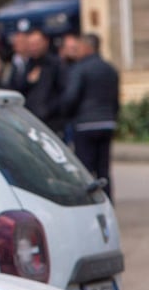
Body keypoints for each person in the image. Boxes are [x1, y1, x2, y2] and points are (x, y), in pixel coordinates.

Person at [57, 33, 120, 200]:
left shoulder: (80, 69)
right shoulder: (110, 69)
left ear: (87, 47)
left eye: (79, 47)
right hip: (107, 122)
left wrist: (65, 114)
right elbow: (115, 99)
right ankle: (108, 203)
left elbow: (71, 97)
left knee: (85, 169)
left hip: (85, 124)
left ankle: (88, 203)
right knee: (103, 170)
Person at [16, 27, 66, 134]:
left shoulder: (55, 64)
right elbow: (18, 88)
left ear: (45, 42)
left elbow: (63, 91)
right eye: (31, 44)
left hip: (52, 121)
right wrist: (28, 81)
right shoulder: (27, 65)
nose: (34, 48)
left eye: (36, 44)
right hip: (31, 120)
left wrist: (49, 110)